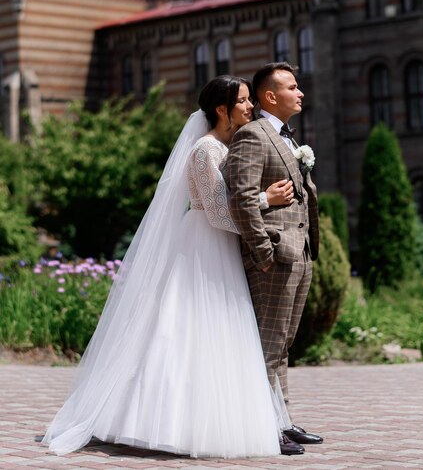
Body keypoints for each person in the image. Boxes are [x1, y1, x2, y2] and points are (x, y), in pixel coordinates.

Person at [42, 75, 303, 458]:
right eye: (244, 101)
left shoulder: (235, 145)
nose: (250, 107)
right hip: (203, 244)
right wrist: (264, 201)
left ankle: (232, 419)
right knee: (186, 328)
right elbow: (215, 212)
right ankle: (166, 422)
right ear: (222, 109)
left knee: (225, 332)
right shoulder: (205, 150)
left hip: (224, 248)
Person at [224, 62, 323, 447]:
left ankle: (282, 420)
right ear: (270, 96)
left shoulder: (286, 136)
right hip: (274, 257)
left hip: (300, 254)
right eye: (292, 87)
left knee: (282, 344)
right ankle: (264, 428)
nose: (300, 93)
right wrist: (262, 252)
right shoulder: (252, 135)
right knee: (267, 346)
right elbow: (242, 199)